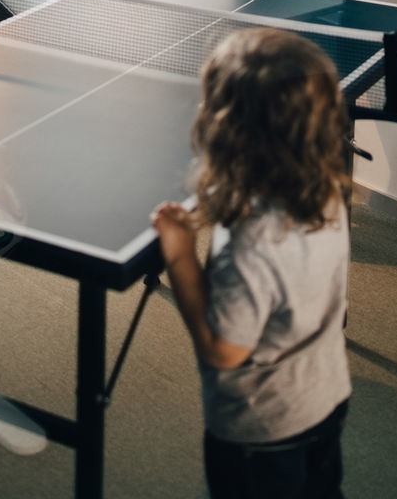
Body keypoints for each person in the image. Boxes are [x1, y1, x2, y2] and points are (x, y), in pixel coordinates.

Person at [152, 28, 352, 499]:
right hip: (325, 398)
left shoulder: (254, 245)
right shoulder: (323, 190)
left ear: (226, 125)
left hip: (263, 431)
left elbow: (225, 351)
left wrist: (180, 255)